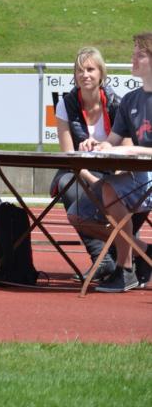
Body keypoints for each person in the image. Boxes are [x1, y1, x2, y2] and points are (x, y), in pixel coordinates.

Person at [71, 32, 152, 293]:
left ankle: (125, 269)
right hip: (139, 177)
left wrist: (128, 150)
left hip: (146, 177)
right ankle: (144, 252)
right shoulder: (130, 100)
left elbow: (125, 148)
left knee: (109, 188)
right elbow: (113, 141)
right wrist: (95, 145)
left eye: (140, 55)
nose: (133, 59)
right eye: (133, 53)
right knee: (78, 213)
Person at [50, 47, 122, 281]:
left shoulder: (116, 104)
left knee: (123, 191)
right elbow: (67, 154)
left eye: (90, 69)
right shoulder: (66, 104)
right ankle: (102, 258)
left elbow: (126, 148)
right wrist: (92, 179)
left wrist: (109, 169)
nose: (85, 75)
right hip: (77, 169)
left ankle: (123, 254)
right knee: (69, 186)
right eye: (80, 70)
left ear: (101, 73)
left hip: (111, 169)